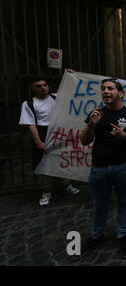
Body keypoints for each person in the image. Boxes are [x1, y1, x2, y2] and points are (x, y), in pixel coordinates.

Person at [79, 78, 126, 259]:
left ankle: (123, 235)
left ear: (120, 93)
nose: (106, 92)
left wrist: (125, 136)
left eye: (110, 89)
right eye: (103, 89)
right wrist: (92, 124)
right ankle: (96, 236)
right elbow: (84, 141)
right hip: (99, 169)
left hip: (124, 167)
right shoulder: (96, 114)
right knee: (100, 203)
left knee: (125, 202)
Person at [19, 77, 79, 206]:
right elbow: (31, 124)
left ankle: (66, 184)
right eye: (39, 86)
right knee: (43, 163)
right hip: (42, 132)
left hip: (58, 131)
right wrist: (38, 142)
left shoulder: (56, 98)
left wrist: (71, 76)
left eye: (45, 85)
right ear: (33, 89)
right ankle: (46, 190)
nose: (43, 88)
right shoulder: (28, 104)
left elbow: (73, 90)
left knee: (62, 159)